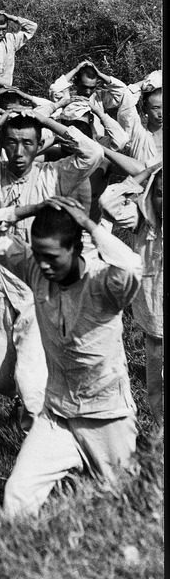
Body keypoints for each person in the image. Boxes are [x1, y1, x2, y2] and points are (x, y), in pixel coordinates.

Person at [0, 196, 142, 517]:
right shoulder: (37, 271)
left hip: (107, 418)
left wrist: (88, 223)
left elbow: (132, 265)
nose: (43, 265)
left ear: (76, 248)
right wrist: (32, 210)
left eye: (51, 257)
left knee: (126, 505)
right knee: (19, 497)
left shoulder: (105, 284)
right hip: (57, 417)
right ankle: (22, 563)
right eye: (37, 255)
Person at [0, 109, 104, 428]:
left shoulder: (53, 174)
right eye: (12, 142)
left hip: (37, 281)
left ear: (39, 144)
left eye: (27, 143)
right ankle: (31, 398)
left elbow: (92, 153)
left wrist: (47, 122)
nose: (19, 152)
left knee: (33, 369)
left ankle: (45, 417)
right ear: (1, 143)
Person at [100, 162, 163, 422]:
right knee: (157, 384)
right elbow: (107, 201)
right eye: (160, 192)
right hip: (155, 323)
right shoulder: (142, 223)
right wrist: (146, 173)